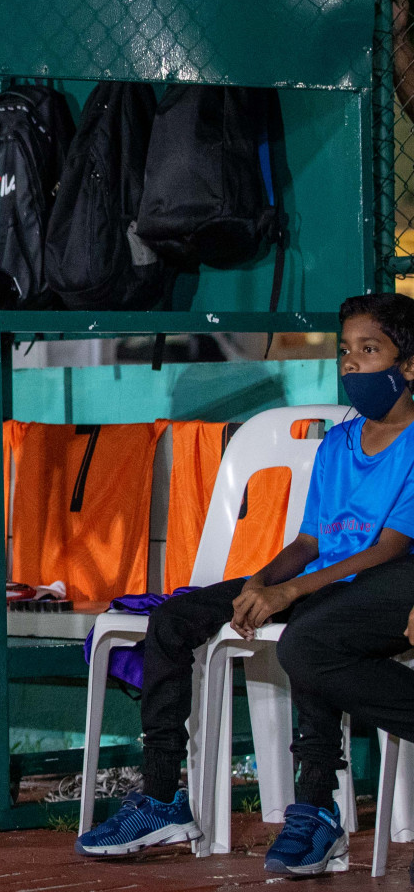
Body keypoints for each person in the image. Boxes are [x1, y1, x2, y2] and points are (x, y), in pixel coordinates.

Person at [76, 293, 414, 878]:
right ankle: (161, 798)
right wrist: (261, 581)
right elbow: (309, 541)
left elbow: (387, 549)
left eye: (370, 349)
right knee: (171, 620)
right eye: (345, 353)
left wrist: (289, 595)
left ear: (407, 365)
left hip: (374, 584)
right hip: (320, 576)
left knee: (305, 634)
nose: (353, 364)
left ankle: (313, 806)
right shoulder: (340, 440)